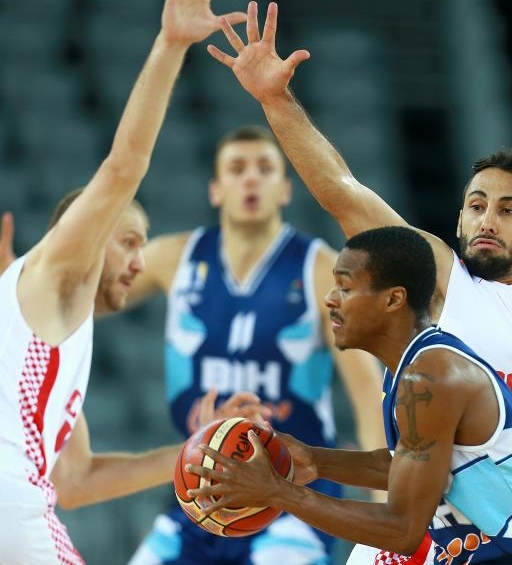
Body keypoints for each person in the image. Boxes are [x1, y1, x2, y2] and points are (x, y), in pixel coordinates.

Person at [205, 0, 512, 561]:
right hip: (424, 524)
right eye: (476, 205)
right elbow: (343, 192)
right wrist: (275, 102)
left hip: (510, 526)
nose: (487, 219)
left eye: (508, 210)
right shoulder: (438, 274)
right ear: (459, 216)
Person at [0, 0, 249, 564]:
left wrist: (194, 450)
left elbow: (76, 482)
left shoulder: (58, 332)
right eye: (129, 240)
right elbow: (122, 168)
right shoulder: (57, 275)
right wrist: (171, 45)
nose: (140, 260)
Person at [184, 225, 512, 565]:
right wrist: (315, 461)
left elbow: (404, 529)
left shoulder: (432, 377)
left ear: (393, 299)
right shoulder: (412, 368)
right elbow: (410, 466)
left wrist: (278, 492)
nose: (329, 299)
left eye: (344, 287)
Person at [121, 124, 386, 565]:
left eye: (265, 169)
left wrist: (384, 510)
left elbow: (366, 393)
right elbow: (87, 295)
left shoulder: (320, 270)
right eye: (237, 168)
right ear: (215, 189)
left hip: (293, 492)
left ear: (284, 189)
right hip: (203, 487)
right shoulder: (176, 258)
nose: (250, 179)